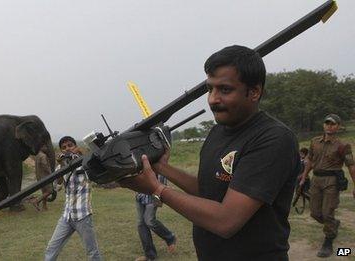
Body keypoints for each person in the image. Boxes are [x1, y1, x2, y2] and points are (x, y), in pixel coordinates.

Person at [119, 45, 301, 260]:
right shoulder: (217, 132)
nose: (213, 99)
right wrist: (161, 168)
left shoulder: (273, 139)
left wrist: (157, 189)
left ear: (254, 92)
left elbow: (226, 221)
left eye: (225, 90)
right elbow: (209, 190)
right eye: (210, 89)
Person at [299, 114, 355, 258]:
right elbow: (310, 160)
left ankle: (328, 241)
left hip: (332, 181)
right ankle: (333, 224)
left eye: (333, 124)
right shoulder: (314, 141)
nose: (329, 126)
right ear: (323, 125)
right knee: (315, 213)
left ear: (338, 126)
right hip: (316, 180)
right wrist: (304, 176)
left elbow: (351, 166)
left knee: (327, 212)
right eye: (327, 123)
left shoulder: (343, 146)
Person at [44, 136, 102, 261]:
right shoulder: (61, 167)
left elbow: (97, 168)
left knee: (92, 252)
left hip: (83, 215)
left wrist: (83, 155)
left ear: (76, 147)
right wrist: (60, 165)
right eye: (64, 147)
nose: (67, 149)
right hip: (66, 216)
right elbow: (57, 186)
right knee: (51, 248)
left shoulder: (85, 163)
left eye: (70, 145)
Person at [134, 174, 176, 261]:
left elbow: (160, 175)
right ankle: (150, 255)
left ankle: (170, 237)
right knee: (141, 224)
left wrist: (160, 196)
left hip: (153, 194)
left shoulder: (154, 160)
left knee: (149, 220)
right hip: (140, 194)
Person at [34, 145, 55, 210]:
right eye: (45, 147)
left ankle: (44, 207)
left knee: (44, 192)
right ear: (41, 147)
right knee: (50, 191)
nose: (46, 148)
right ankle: (37, 201)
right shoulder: (43, 156)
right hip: (45, 177)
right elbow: (45, 166)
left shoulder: (37, 155)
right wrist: (51, 173)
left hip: (39, 177)